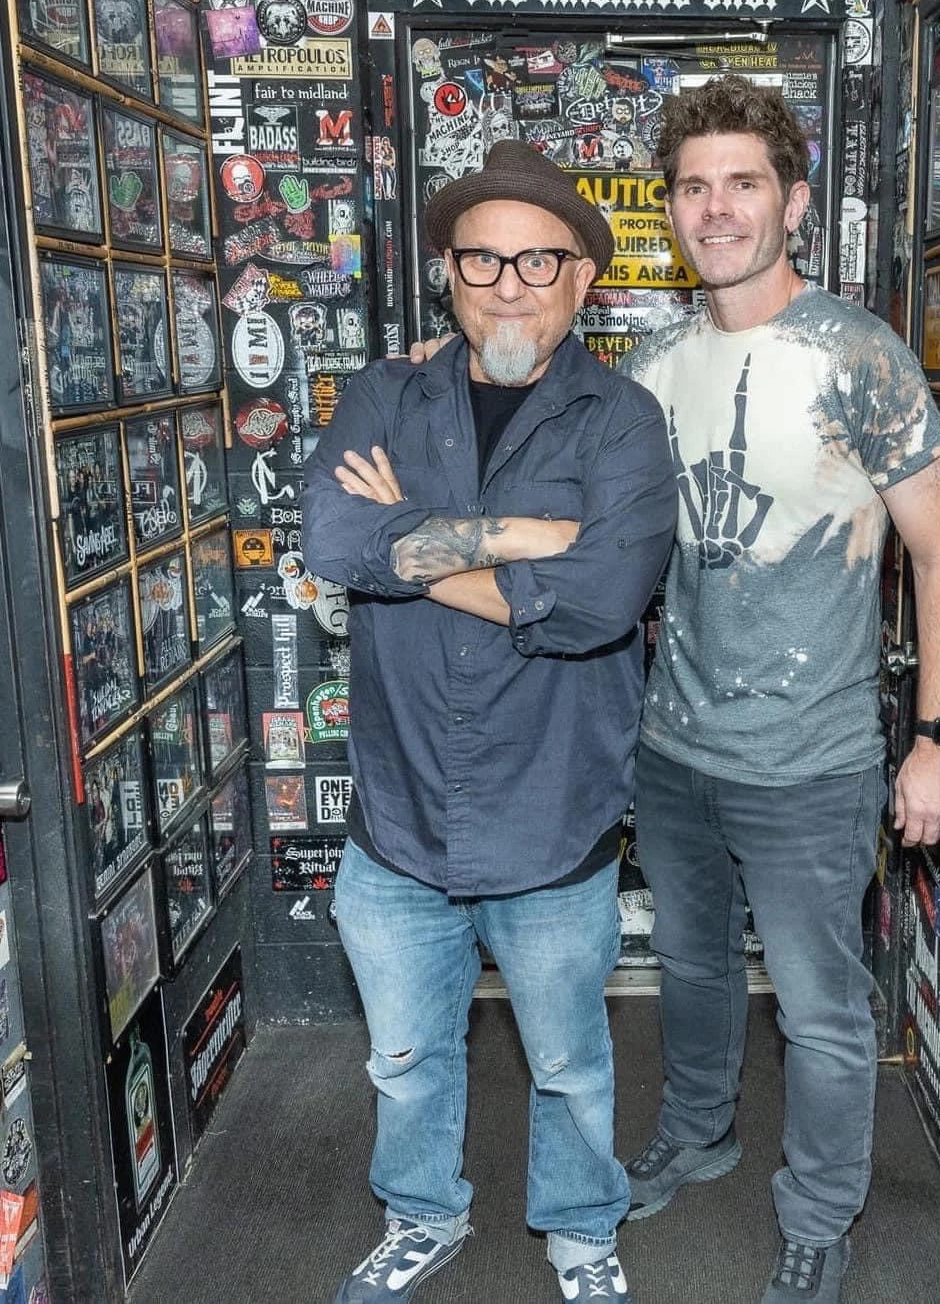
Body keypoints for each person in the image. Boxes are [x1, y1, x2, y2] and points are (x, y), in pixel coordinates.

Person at [615, 76, 940, 1304]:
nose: (716, 208)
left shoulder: (856, 355)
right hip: (676, 745)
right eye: (694, 186)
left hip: (813, 762)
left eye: (743, 183)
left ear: (794, 203)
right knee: (698, 970)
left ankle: (819, 1215)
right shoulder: (654, 363)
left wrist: (938, 735)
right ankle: (700, 1129)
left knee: (822, 1012)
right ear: (671, 208)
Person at [301, 140, 677, 1304]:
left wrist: (411, 537)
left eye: (538, 260)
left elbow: (607, 601)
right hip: (399, 820)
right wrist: (528, 537)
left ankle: (580, 1228)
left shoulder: (622, 420)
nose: (509, 283)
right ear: (448, 274)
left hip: (551, 815)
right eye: (482, 259)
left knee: (569, 1064)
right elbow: (331, 543)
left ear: (582, 279)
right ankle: (421, 1213)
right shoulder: (381, 393)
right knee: (405, 1061)